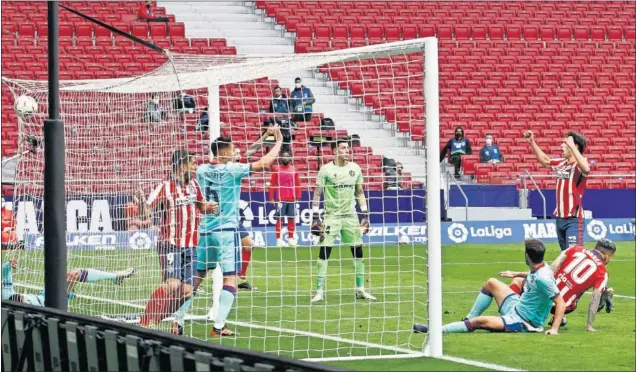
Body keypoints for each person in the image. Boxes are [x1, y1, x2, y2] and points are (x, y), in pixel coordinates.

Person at [195, 126, 283, 337]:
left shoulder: (201, 170)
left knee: (199, 274)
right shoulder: (234, 169)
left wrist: (263, 137)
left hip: (208, 225)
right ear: (226, 152)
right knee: (229, 276)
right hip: (226, 224)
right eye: (234, 149)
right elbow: (261, 162)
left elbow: (250, 152)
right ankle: (219, 323)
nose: (238, 151)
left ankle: (178, 319)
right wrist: (278, 141)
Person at [139, 150, 219, 335]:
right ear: (182, 166)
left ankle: (160, 317)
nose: (196, 167)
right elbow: (146, 214)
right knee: (172, 285)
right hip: (170, 244)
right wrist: (142, 203)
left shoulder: (194, 185)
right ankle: (144, 322)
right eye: (193, 164)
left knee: (187, 291)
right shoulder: (164, 187)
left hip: (191, 245)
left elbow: (201, 206)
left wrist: (210, 207)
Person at [413, 239, 566, 335]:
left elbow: (560, 302)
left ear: (527, 256)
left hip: (524, 322)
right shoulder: (540, 268)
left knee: (480, 322)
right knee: (491, 283)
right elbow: (534, 276)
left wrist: (554, 329)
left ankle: (435, 331)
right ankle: (467, 319)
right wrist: (516, 274)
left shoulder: (543, 278)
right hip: (516, 307)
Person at [310, 137, 375, 303]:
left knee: (358, 251)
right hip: (331, 216)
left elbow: (359, 193)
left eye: (348, 148)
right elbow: (317, 193)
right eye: (344, 148)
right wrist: (316, 216)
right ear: (334, 151)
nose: (347, 151)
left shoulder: (355, 168)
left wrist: (365, 214)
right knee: (324, 252)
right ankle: (319, 291)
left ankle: (360, 289)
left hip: (351, 216)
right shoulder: (325, 170)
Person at [500, 238, 616, 331]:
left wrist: (517, 274)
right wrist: (589, 325)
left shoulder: (575, 249)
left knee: (518, 282)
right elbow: (594, 299)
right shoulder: (602, 272)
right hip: (566, 306)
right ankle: (559, 317)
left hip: (548, 295)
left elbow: (550, 270)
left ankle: (513, 312)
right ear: (607, 256)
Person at [525, 130, 589, 251]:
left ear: (574, 146)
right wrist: (532, 142)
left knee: (574, 254)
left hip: (573, 219)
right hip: (560, 218)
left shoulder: (580, 164)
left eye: (565, 143)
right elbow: (545, 160)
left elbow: (586, 168)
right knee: (565, 255)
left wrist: (572, 146)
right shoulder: (561, 163)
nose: (561, 146)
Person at [2, 258, 134, 305]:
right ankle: (115, 277)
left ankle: (115, 277)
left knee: (72, 274)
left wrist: (9, 265)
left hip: (45, 295)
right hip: (52, 304)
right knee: (74, 275)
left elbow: (5, 272)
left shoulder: (6, 294)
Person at [269, 150, 302, 247]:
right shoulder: (277, 169)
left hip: (292, 199)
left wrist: (298, 195)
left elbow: (298, 184)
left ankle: (291, 240)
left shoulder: (294, 169)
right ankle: (279, 240)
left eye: (287, 156)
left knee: (291, 219)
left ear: (290, 158)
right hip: (281, 199)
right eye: (284, 156)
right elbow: (272, 184)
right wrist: (271, 197)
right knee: (279, 219)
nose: (286, 157)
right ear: (281, 158)